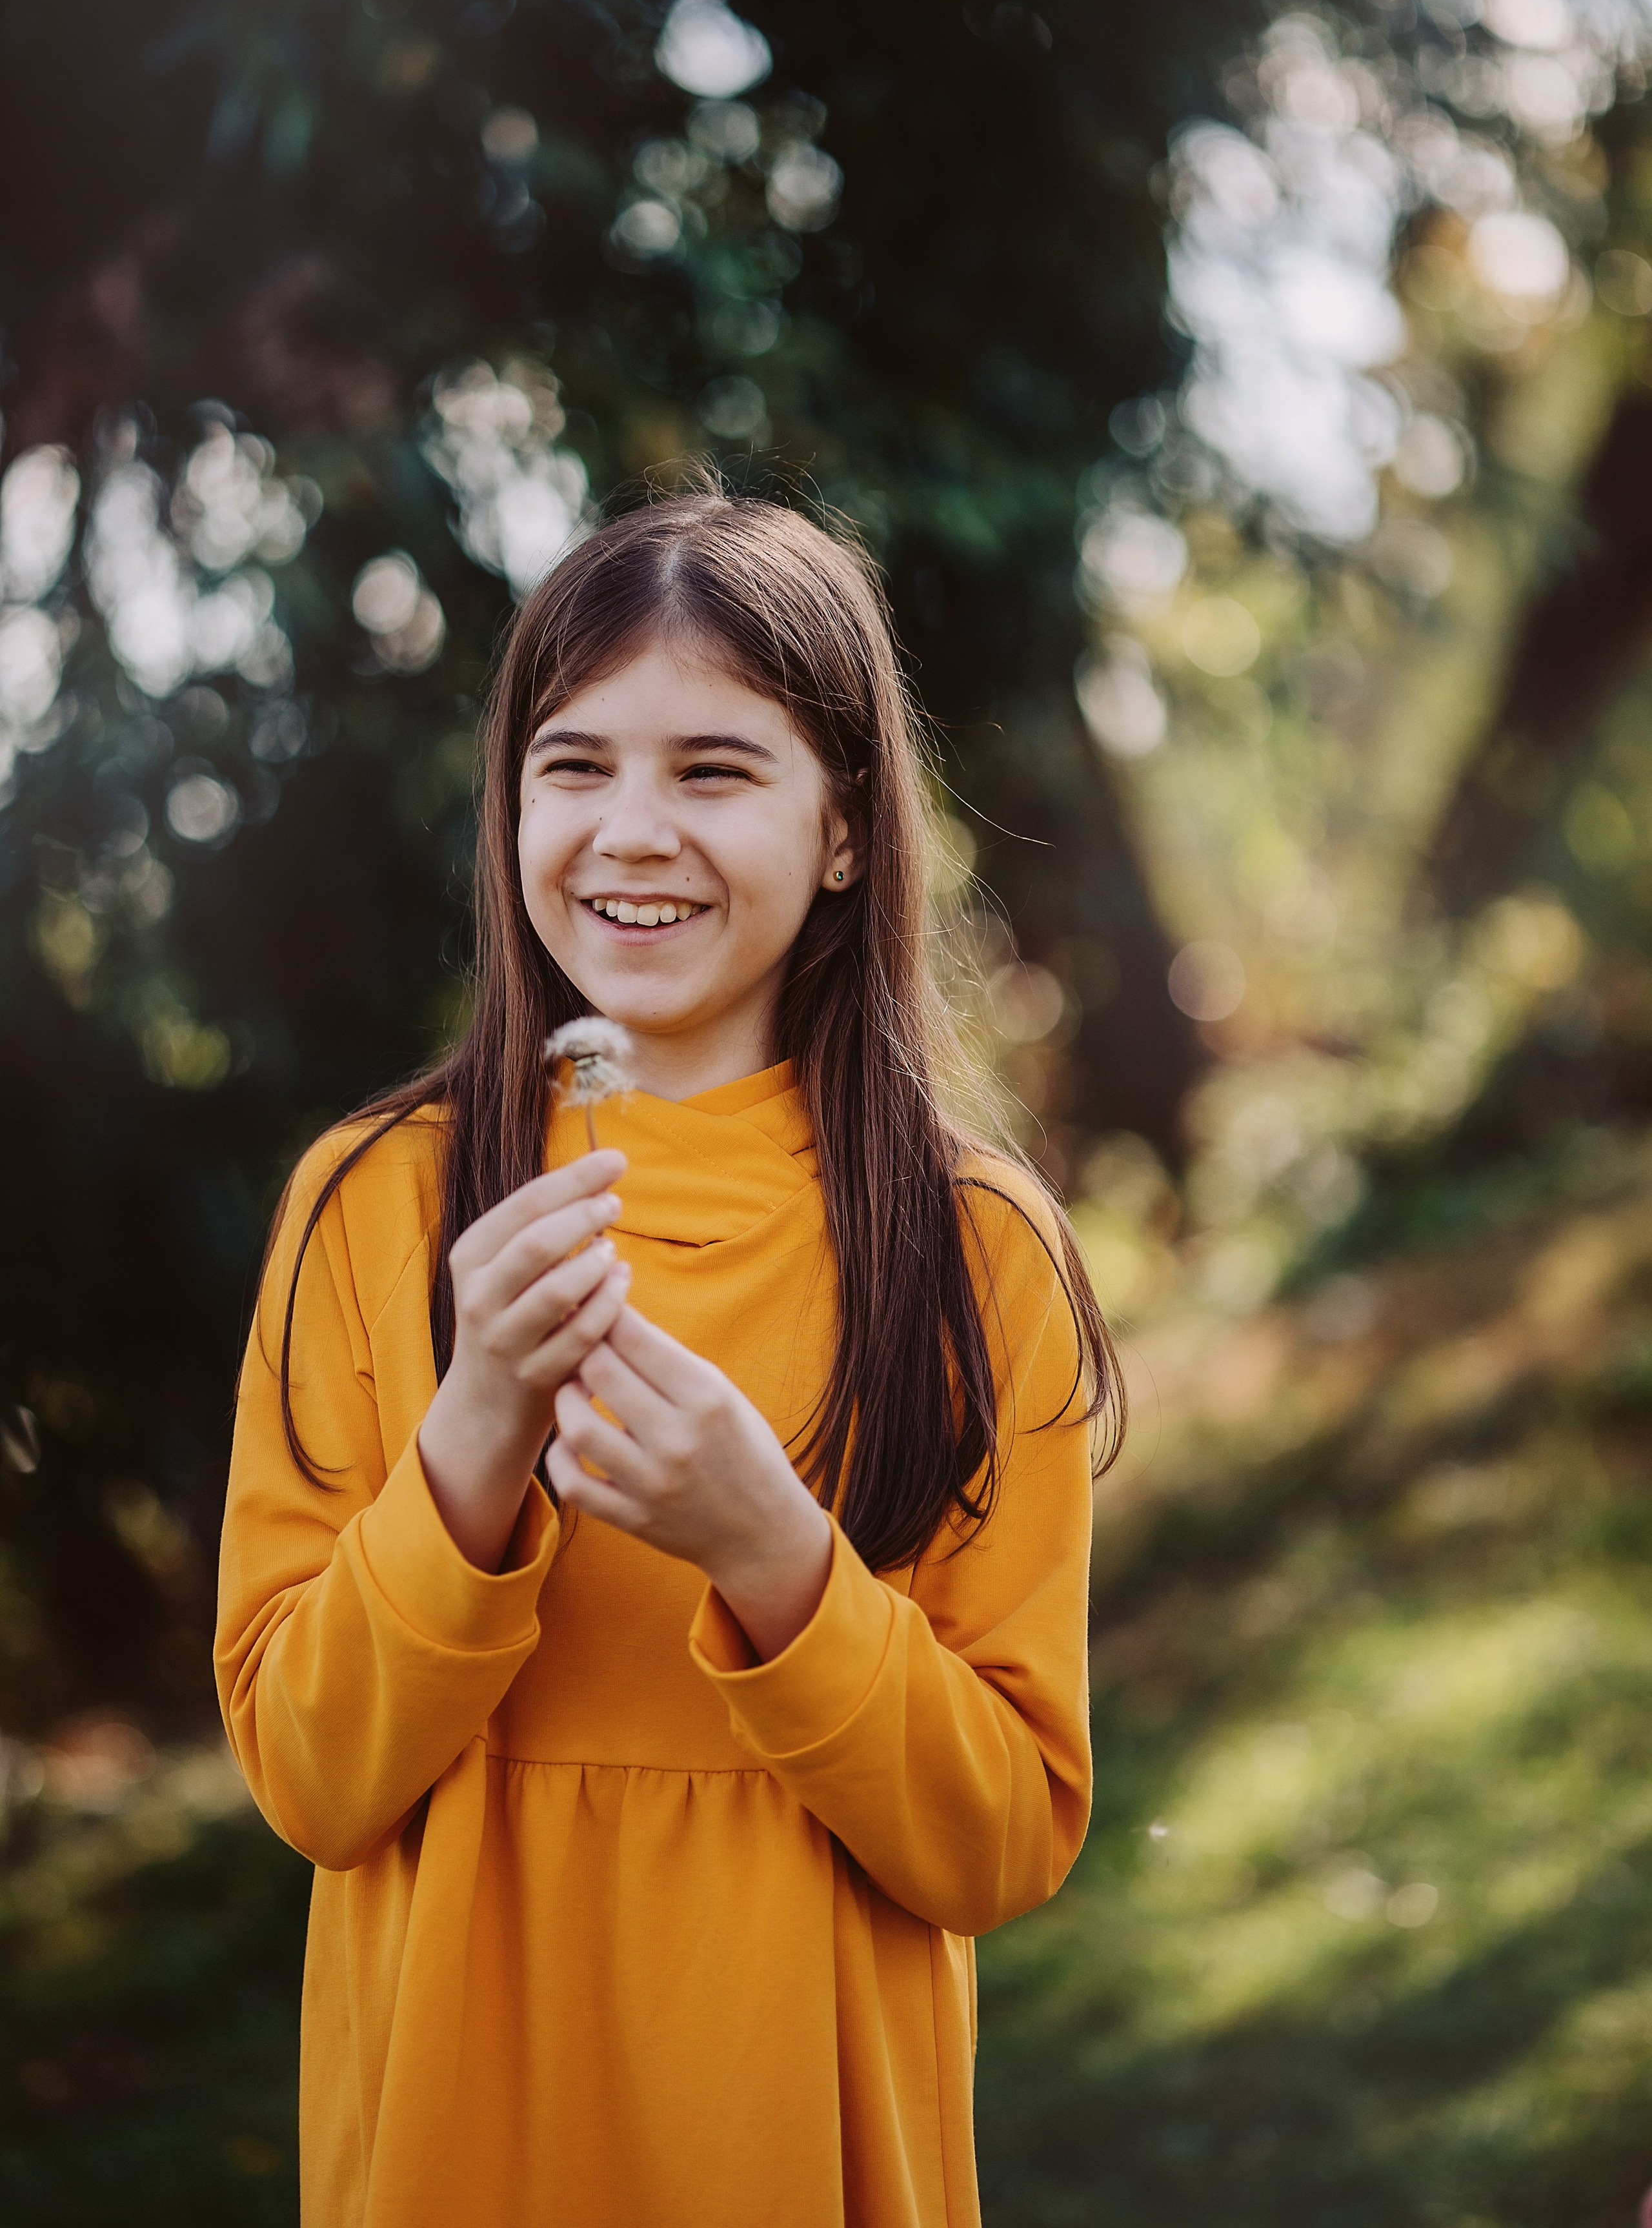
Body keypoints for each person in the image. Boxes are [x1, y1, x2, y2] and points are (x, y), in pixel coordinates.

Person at [214, 483, 1120, 2228]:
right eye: (575, 766)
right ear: (511, 805)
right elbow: (313, 1782)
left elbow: (999, 1841)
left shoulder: (972, 1249)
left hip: (802, 2150)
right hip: (448, 2150)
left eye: (715, 770)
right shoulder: (371, 1205)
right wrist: (473, 1436)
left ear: (847, 829)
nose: (634, 831)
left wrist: (767, 1549)